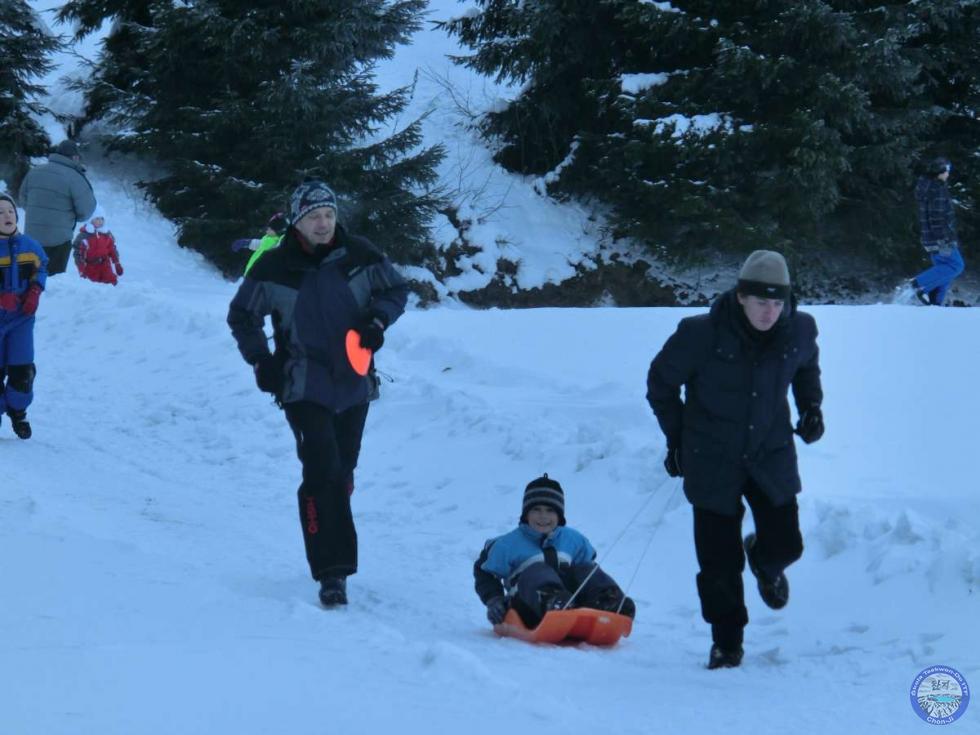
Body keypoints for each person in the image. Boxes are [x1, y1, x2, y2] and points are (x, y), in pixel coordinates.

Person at [227, 180, 408, 608]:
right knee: (321, 471)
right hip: (302, 385)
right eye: (313, 217)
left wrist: (377, 321)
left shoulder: (359, 254)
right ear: (297, 221)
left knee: (341, 471)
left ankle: (334, 507)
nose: (323, 224)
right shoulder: (274, 267)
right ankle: (332, 573)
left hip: (354, 382)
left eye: (329, 215)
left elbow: (395, 290)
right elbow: (242, 315)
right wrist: (261, 360)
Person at [646, 250, 823, 670]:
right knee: (718, 563)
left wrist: (811, 408)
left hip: (770, 454)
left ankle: (764, 560)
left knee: (787, 544)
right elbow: (660, 384)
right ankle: (727, 643)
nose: (770, 312)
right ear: (740, 296)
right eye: (761, 301)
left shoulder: (799, 328)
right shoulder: (699, 333)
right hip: (711, 457)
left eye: (777, 302)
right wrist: (677, 440)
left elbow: (806, 368)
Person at [473, 474, 636, 629]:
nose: (543, 516)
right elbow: (485, 572)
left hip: (572, 604)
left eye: (550, 510)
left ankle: (610, 602)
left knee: (587, 569)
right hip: (526, 608)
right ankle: (553, 601)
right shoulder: (508, 544)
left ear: (559, 515)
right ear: (526, 513)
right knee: (537, 570)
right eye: (536, 509)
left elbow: (589, 573)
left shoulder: (573, 540)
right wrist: (494, 599)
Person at [0, 193, 48, 439]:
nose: (6, 216)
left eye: (10, 211)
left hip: (21, 318)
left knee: (23, 368)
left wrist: (35, 290)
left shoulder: (30, 245)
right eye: (0, 213)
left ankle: (18, 412)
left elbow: (41, 267)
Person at [18, 140, 97, 276]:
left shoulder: (35, 171)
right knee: (52, 278)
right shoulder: (75, 177)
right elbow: (86, 211)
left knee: (30, 277)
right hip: (59, 241)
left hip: (31, 237)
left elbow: (23, 199)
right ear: (75, 157)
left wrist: (38, 213)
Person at [911, 157, 965, 305]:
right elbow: (937, 216)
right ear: (940, 172)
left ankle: (934, 302)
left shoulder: (927, 187)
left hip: (930, 237)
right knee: (956, 265)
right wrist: (945, 238)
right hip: (940, 238)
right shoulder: (937, 189)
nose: (948, 174)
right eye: (947, 170)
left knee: (943, 268)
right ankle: (919, 284)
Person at [73, 207, 123, 285]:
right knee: (93, 287)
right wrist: (81, 269)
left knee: (112, 283)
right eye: (97, 218)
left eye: (102, 219)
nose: (100, 221)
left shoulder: (107, 234)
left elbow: (112, 249)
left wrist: (117, 263)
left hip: (105, 265)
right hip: (90, 266)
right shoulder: (84, 236)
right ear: (91, 220)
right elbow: (78, 254)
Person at [231, 212, 287, 276]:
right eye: (268, 227)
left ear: (278, 231)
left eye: (270, 229)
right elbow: (261, 244)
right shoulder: (268, 238)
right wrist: (247, 242)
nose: (267, 230)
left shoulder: (278, 244)